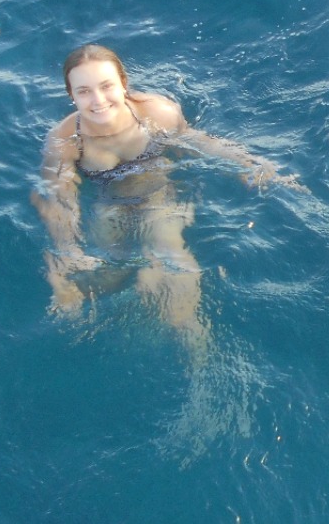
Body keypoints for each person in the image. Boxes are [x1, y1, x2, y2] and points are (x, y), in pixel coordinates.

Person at [32, 44, 297, 347]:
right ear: (71, 95)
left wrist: (252, 165)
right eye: (84, 91)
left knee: (168, 251)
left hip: (157, 193)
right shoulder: (65, 141)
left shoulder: (157, 112)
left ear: (123, 83)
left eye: (106, 86)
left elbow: (201, 143)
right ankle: (123, 324)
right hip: (109, 202)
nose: (98, 100)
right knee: (111, 269)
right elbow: (58, 200)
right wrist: (67, 250)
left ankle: (192, 337)